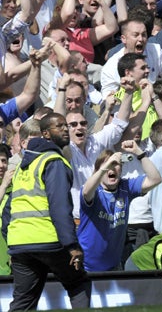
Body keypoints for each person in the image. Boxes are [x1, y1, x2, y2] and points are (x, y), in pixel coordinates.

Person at [6, 112, 91, 310]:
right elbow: (60, 207)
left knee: (23, 303)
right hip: (49, 240)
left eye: (65, 126)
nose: (65, 129)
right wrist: (71, 245)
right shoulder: (53, 161)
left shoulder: (22, 166)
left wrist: (12, 242)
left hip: (20, 243)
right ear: (45, 134)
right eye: (58, 126)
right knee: (78, 283)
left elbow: (9, 210)